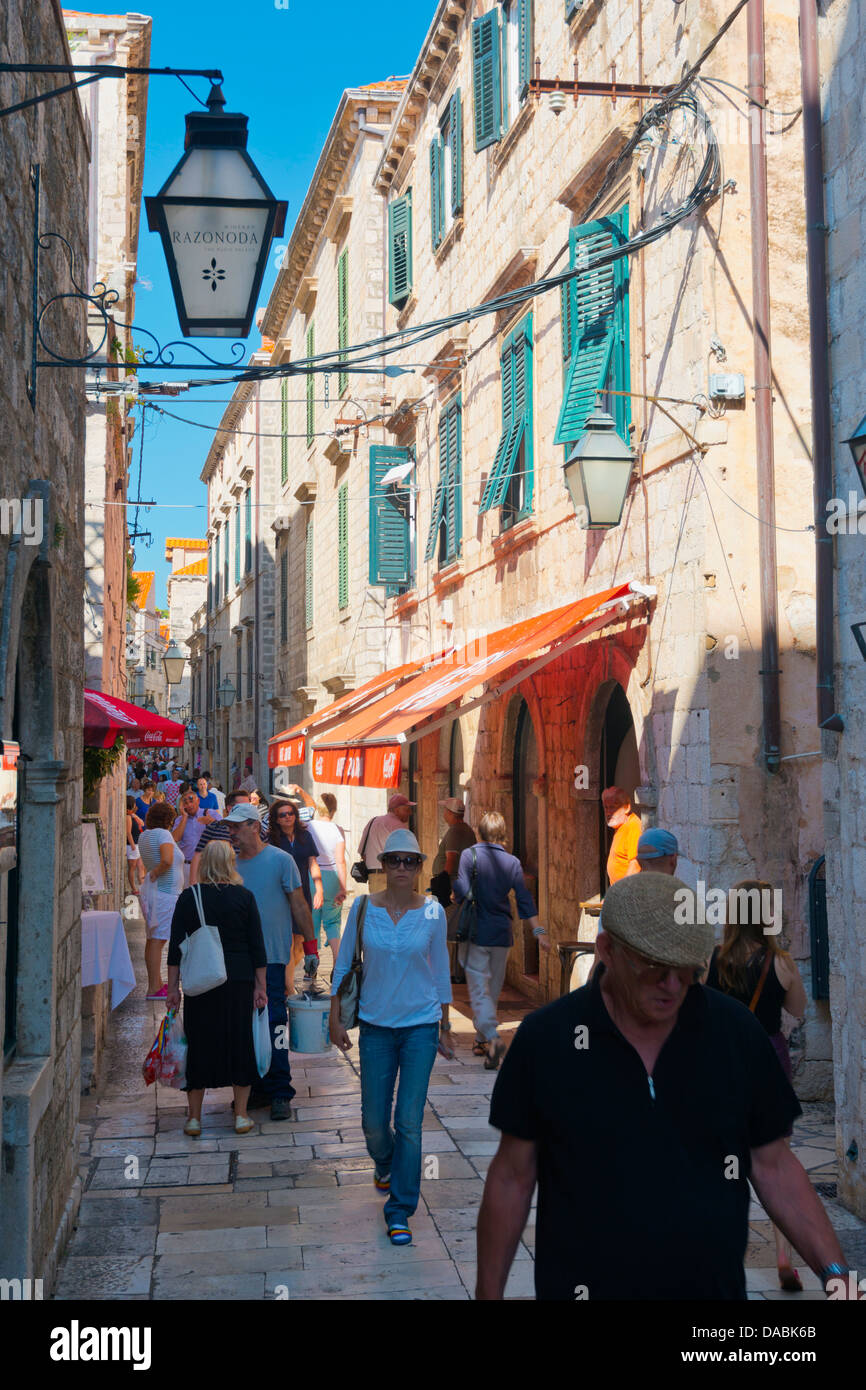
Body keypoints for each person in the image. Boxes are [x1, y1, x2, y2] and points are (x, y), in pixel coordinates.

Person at [477, 871, 855, 1301]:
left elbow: (774, 1166)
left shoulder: (735, 1034)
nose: (672, 985)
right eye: (654, 967)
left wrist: (840, 1278)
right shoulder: (547, 1039)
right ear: (607, 951)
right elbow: (511, 1177)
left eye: (685, 969)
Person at [329, 829, 453, 1246]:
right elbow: (344, 963)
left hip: (420, 1026)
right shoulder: (363, 909)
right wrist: (335, 1018)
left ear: (420, 867)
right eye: (395, 859)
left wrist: (446, 1025)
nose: (402, 867)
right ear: (383, 864)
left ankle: (399, 1209)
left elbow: (440, 972)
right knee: (373, 1121)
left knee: (410, 1121)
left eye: (411, 861)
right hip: (376, 1026)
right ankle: (385, 1162)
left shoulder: (434, 912)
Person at [705, 880, 809, 1292]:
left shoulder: (717, 959)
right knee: (776, 1158)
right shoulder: (780, 962)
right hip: (768, 1057)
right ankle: (785, 1255)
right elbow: (797, 1010)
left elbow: (704, 1011)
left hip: (725, 1059)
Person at [166, 841, 268, 1137]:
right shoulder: (244, 898)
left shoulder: (189, 897)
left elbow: (175, 948)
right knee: (240, 1043)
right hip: (239, 981)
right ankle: (240, 1116)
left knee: (199, 1045)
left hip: (201, 981)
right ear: (230, 863)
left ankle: (194, 1119)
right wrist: (260, 986)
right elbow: (257, 947)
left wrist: (173, 988)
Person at [225, 803, 318, 1121]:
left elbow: (299, 904)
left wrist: (310, 946)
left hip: (274, 957)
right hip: (239, 961)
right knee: (245, 1027)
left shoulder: (281, 860)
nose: (232, 832)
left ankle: (280, 1091)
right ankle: (256, 1088)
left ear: (254, 826)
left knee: (276, 1023)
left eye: (237, 826)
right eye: (230, 827)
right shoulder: (230, 865)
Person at [453, 811, 549, 1070]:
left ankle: (493, 1039)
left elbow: (461, 891)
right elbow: (525, 900)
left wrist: (456, 895)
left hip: (475, 932)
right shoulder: (512, 863)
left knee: (478, 991)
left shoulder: (468, 856)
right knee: (492, 991)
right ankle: (481, 1038)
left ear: (480, 831)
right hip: (501, 934)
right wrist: (538, 932)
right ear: (502, 833)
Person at [268, 798, 324, 991]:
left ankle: (288, 979)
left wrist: (319, 888)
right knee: (288, 941)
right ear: (276, 819)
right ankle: (289, 987)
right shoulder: (272, 840)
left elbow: (312, 863)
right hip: (280, 895)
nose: (287, 817)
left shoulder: (305, 836)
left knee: (300, 942)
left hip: (302, 893)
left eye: (290, 813)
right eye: (282, 815)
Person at [139, 801, 184, 1000]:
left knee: (152, 939)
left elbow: (170, 844)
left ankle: (155, 983)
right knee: (159, 940)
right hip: (165, 893)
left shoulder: (145, 835)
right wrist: (156, 872)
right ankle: (153, 988)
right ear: (167, 820)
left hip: (153, 893)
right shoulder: (163, 834)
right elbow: (166, 860)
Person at [309, 796, 348, 977]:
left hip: (313, 875)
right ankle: (337, 961)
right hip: (332, 877)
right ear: (334, 809)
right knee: (332, 921)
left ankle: (311, 964)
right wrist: (342, 887)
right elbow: (340, 861)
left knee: (312, 921)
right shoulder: (338, 830)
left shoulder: (308, 826)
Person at [189, 790, 264, 885]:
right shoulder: (214, 828)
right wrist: (194, 887)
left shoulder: (257, 830)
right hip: (220, 886)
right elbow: (198, 856)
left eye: (248, 805)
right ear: (229, 808)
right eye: (242, 805)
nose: (247, 808)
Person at [358, 794, 415, 891]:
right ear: (397, 810)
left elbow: (362, 853)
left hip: (374, 878)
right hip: (394, 877)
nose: (410, 813)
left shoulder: (372, 822)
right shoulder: (399, 826)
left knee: (377, 906)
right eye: (407, 809)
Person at [429, 797, 476, 906]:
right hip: (461, 883)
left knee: (447, 917)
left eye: (445, 810)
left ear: (450, 813)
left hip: (451, 886)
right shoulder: (468, 830)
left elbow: (451, 859)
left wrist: (442, 883)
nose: (443, 813)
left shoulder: (455, 831)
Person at [172, 787, 219, 888]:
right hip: (186, 867)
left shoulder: (211, 813)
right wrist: (184, 817)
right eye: (185, 803)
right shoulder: (179, 820)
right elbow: (175, 838)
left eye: (191, 801)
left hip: (207, 865)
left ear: (198, 801)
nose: (189, 805)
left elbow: (225, 831)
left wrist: (212, 822)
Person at [602, 785, 642, 884]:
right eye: (606, 807)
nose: (608, 812)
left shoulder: (633, 826)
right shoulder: (620, 826)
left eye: (612, 807)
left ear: (627, 807)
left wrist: (621, 892)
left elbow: (636, 864)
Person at [126, 795, 144, 895]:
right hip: (132, 845)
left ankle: (141, 886)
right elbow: (128, 832)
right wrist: (132, 845)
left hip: (137, 844)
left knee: (140, 866)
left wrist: (135, 815)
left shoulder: (132, 815)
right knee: (132, 867)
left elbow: (142, 823)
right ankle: (134, 888)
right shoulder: (128, 817)